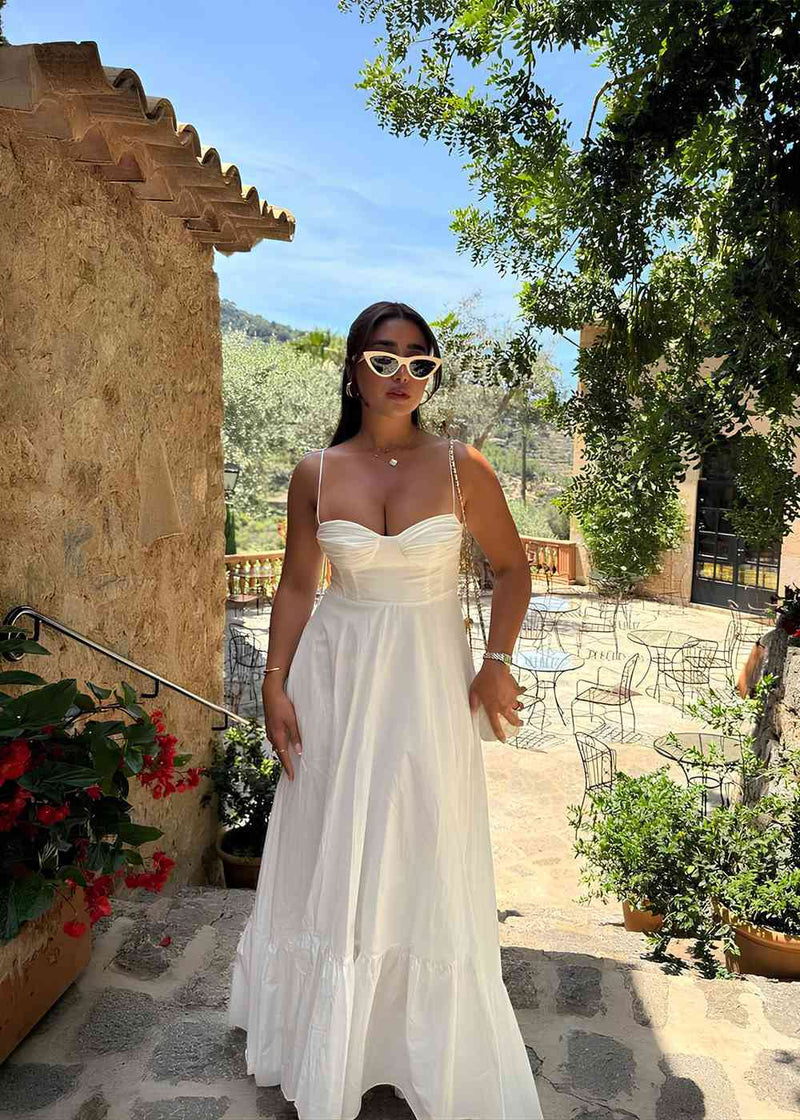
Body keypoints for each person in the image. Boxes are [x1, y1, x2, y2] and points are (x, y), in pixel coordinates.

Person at [227, 301, 543, 1120]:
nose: (402, 376)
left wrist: (495, 663)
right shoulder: (317, 472)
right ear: (353, 371)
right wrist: (275, 680)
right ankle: (333, 1036)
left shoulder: (461, 466)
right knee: (338, 841)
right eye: (383, 359)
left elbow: (513, 571)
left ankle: (414, 1039)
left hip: (429, 683)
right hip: (338, 679)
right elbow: (300, 585)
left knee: (424, 840)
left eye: (419, 362)